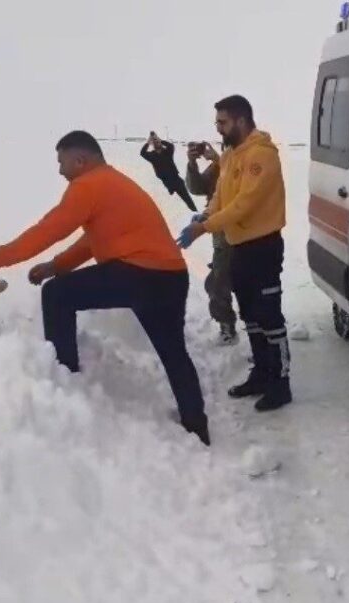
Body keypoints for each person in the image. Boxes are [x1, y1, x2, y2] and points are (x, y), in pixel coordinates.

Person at [0, 130, 210, 445]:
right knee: (173, 353)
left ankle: (63, 383)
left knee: (57, 294)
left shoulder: (87, 185)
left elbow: (48, 230)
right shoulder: (113, 183)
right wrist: (57, 266)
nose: (60, 171)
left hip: (139, 273)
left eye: (62, 163)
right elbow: (94, 239)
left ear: (79, 159)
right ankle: (197, 427)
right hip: (170, 276)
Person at [177, 95, 291, 412]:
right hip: (238, 247)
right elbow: (221, 198)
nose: (218, 128)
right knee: (251, 314)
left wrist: (206, 227)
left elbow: (244, 204)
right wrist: (205, 216)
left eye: (223, 122)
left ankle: (281, 383)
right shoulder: (229, 156)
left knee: (269, 315)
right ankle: (261, 373)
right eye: (217, 122)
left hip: (263, 246)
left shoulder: (261, 156)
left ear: (241, 121)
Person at [186, 140, 238, 346]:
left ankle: (250, 328)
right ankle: (228, 324)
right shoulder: (218, 166)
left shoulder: (242, 163)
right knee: (217, 283)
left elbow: (239, 188)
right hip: (221, 237)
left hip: (243, 235)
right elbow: (196, 186)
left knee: (221, 283)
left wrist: (219, 160)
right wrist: (192, 163)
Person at [140, 131, 197, 212]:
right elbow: (142, 153)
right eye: (154, 142)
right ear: (152, 144)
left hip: (177, 180)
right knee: (175, 204)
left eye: (157, 141)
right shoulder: (152, 155)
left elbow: (170, 146)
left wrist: (160, 140)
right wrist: (148, 142)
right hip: (167, 183)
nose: (156, 142)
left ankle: (195, 212)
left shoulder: (167, 152)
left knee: (188, 200)